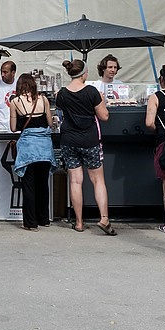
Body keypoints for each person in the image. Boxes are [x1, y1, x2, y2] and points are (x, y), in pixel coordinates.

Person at [56, 59, 115, 235]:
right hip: (89, 140)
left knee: (75, 181)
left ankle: (79, 222)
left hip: (68, 140)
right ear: (84, 74)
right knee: (98, 181)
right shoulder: (92, 91)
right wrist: (102, 100)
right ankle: (104, 218)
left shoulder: (62, 94)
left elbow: (60, 113)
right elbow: (104, 116)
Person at [9, 73, 56, 231]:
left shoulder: (15, 102)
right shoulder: (43, 100)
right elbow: (50, 123)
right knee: (43, 184)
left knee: (28, 186)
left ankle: (31, 222)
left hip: (28, 149)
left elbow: (13, 128)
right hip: (44, 148)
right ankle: (44, 219)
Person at [144, 64, 165, 235]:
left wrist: (157, 129)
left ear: (161, 79)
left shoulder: (156, 96)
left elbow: (149, 122)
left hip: (164, 143)